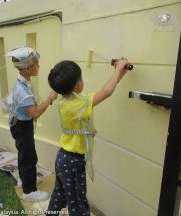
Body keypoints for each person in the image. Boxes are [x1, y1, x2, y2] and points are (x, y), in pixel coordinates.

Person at [46, 58, 129, 215]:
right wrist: (118, 70)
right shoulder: (75, 105)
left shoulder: (68, 100)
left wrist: (120, 71)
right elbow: (106, 92)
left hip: (63, 158)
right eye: (81, 78)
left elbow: (107, 89)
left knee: (60, 194)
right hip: (72, 162)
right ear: (78, 84)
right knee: (78, 202)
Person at [4, 46, 58, 201]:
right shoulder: (21, 89)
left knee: (24, 153)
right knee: (29, 157)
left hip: (20, 124)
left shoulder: (24, 82)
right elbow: (35, 113)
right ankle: (29, 191)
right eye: (36, 64)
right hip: (21, 126)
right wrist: (49, 99)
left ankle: (24, 179)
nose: (39, 66)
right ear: (27, 68)